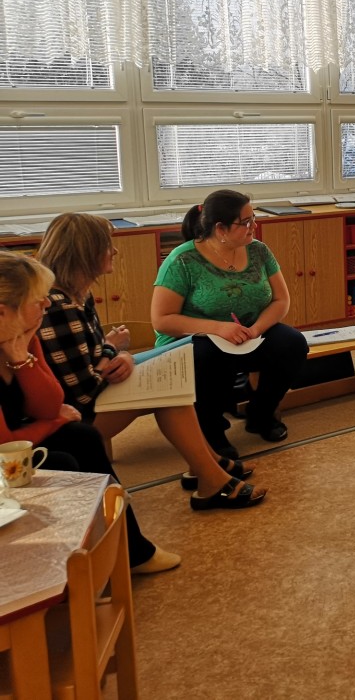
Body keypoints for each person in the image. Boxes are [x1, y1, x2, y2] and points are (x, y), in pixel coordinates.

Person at [36, 213, 265, 508]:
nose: (114, 251)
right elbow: (83, 391)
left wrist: (116, 354)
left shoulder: (78, 294)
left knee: (171, 387)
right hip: (75, 417)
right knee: (167, 392)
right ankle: (210, 473)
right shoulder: (58, 307)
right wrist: (115, 353)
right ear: (85, 252)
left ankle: (208, 467)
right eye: (107, 245)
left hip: (89, 397)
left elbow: (90, 356)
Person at [0, 251, 180, 574]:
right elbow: (6, 443)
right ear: (3, 312)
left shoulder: (20, 336)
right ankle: (66, 569)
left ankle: (129, 550)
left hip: (19, 438)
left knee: (82, 437)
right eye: (38, 300)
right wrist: (56, 420)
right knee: (63, 462)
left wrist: (20, 358)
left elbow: (47, 404)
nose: (47, 305)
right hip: (6, 453)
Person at [151, 190, 309, 459]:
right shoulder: (182, 260)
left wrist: (257, 329)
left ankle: (260, 413)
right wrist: (218, 328)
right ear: (220, 229)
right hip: (196, 338)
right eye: (245, 222)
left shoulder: (259, 250)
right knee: (210, 357)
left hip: (247, 333)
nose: (254, 226)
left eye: (253, 218)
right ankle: (212, 431)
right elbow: (162, 319)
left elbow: (281, 300)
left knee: (292, 344)